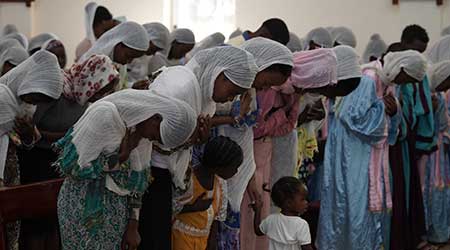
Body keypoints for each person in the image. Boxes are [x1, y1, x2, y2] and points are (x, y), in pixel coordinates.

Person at [139, 46, 258, 250]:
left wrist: (194, 141)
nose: (232, 99)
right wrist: (190, 139)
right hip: (150, 171)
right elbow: (150, 135)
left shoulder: (205, 97)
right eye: (233, 92)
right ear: (220, 74)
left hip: (167, 171)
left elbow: (180, 140)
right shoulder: (180, 87)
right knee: (152, 239)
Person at [55, 90, 197, 250]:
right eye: (156, 136)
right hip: (82, 208)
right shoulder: (105, 115)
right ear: (156, 118)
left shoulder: (140, 131)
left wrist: (133, 224)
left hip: (116, 213)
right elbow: (72, 166)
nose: (152, 140)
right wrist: (121, 157)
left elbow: (138, 184)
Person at [209, 37, 293, 250]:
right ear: (259, 64)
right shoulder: (222, 84)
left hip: (234, 168)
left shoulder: (251, 93)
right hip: (212, 163)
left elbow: (244, 136)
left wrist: (250, 180)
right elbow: (203, 119)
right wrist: (232, 118)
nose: (265, 88)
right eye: (266, 82)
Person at [0, 50, 63, 250]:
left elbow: (28, 141)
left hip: (11, 172)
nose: (36, 103)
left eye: (41, 100)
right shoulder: (2, 97)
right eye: (37, 95)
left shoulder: (25, 105)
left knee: (11, 231)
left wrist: (28, 135)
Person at [172, 136, 243, 250]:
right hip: (180, 238)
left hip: (203, 241)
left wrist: (212, 241)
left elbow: (217, 218)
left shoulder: (220, 185)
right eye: (234, 168)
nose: (235, 171)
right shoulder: (188, 179)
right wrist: (192, 208)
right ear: (220, 166)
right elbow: (168, 208)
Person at [422, 61, 450, 246]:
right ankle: (432, 232)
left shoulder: (437, 95)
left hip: (439, 148)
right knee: (430, 186)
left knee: (439, 187)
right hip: (429, 149)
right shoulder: (428, 96)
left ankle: (441, 232)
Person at [81, 21, 149, 89]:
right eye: (128, 56)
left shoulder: (117, 62)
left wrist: (132, 86)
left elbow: (119, 85)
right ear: (118, 44)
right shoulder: (94, 61)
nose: (128, 62)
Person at [252, 177, 312, 250]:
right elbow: (306, 248)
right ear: (288, 203)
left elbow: (258, 231)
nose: (306, 202)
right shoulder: (301, 225)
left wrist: (258, 210)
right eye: (302, 199)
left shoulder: (271, 220)